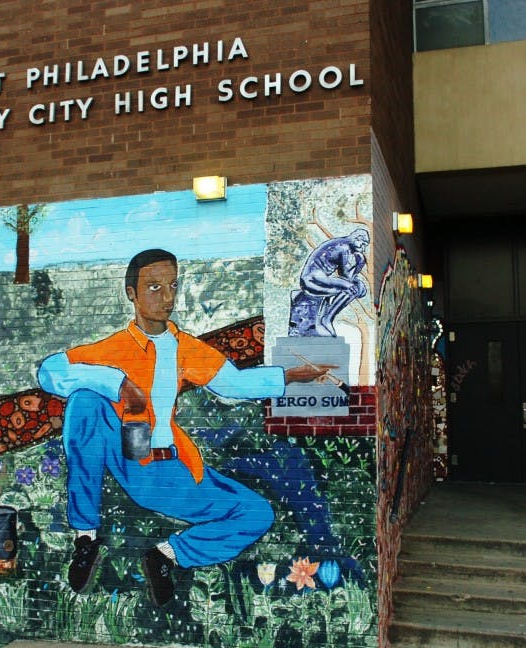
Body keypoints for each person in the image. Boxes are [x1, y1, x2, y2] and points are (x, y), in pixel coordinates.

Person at [37, 249, 333, 605]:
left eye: (173, 286)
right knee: (85, 402)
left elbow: (234, 385)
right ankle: (86, 538)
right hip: (128, 454)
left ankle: (166, 555)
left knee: (256, 513)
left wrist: (292, 376)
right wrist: (118, 383)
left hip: (170, 471)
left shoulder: (185, 348)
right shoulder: (115, 348)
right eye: (154, 287)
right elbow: (50, 372)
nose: (167, 297)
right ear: (131, 293)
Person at [288, 228, 369, 336]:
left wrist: (358, 271)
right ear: (357, 238)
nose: (363, 248)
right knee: (351, 288)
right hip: (313, 278)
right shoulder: (343, 247)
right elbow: (346, 276)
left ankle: (327, 318)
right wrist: (360, 263)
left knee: (352, 289)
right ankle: (326, 319)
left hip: (318, 278)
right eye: (363, 244)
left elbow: (348, 277)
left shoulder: (343, 245)